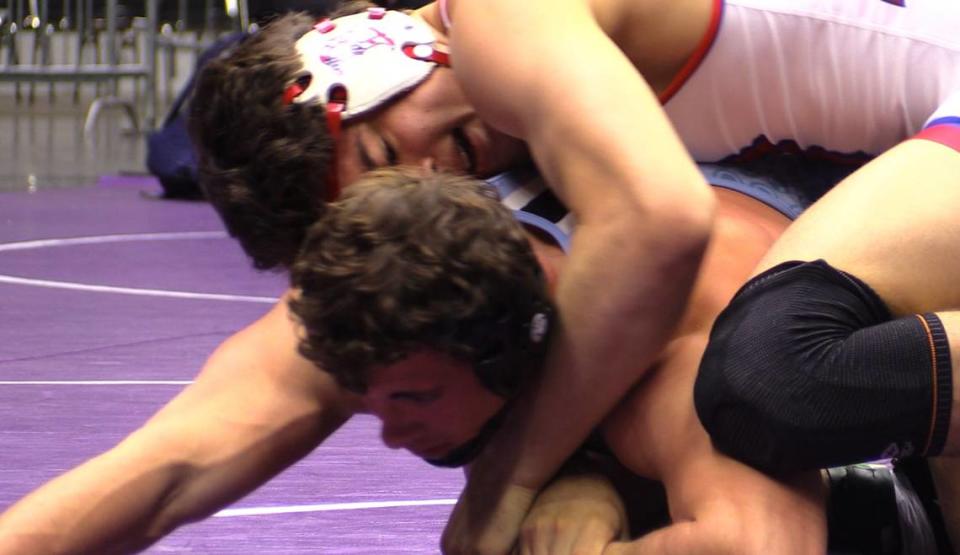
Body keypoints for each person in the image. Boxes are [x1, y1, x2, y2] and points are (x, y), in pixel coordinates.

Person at [184, 2, 960, 550]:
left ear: (374, 51)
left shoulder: (500, 30)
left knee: (775, 370)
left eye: (389, 156)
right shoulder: (534, 121)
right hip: (918, 134)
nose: (438, 175)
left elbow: (660, 225)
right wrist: (575, 474)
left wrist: (517, 476)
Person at [286, 166, 948, 554]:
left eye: (414, 397)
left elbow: (764, 545)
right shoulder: (492, 245)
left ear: (493, 354)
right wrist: (582, 475)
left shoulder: (675, 367)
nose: (393, 436)